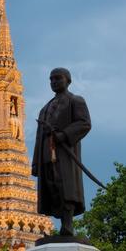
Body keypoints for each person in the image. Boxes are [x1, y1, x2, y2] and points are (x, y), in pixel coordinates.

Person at [31, 68, 91, 235]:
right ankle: (59, 226)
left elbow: (84, 123)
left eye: (57, 78)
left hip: (64, 153)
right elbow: (38, 136)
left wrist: (64, 135)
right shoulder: (44, 108)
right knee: (51, 187)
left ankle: (68, 225)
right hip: (46, 153)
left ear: (68, 81)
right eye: (51, 79)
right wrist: (35, 162)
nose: (54, 82)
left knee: (65, 186)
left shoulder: (75, 101)